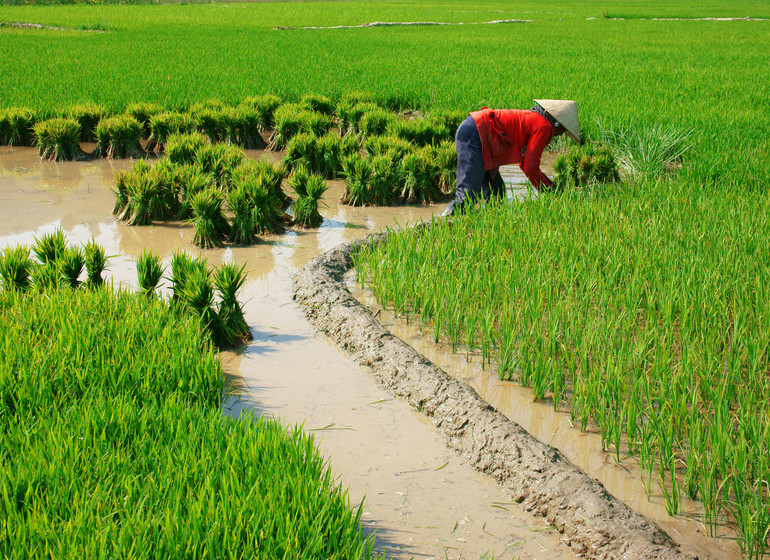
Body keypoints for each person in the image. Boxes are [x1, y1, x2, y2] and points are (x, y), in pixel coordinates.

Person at [442, 99, 581, 216]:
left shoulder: (536, 120)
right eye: (564, 130)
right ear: (557, 124)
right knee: (466, 197)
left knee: (497, 195)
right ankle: (443, 223)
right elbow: (530, 168)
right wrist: (551, 189)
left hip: (478, 132)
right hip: (475, 133)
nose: (562, 134)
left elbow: (524, 163)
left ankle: (489, 227)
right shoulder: (543, 127)